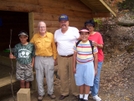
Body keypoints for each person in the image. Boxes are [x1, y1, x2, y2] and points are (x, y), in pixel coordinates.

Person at [54, 14, 80, 100]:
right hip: (61, 57)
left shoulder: (74, 30)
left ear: (68, 22)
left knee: (74, 75)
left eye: (65, 22)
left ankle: (76, 92)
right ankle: (64, 92)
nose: (63, 23)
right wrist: (55, 57)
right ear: (59, 23)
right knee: (63, 76)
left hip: (72, 56)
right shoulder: (56, 32)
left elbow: (81, 40)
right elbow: (55, 44)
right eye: (61, 22)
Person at [30, 21, 57, 101]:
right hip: (38, 58)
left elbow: (54, 48)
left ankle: (50, 92)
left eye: (43, 27)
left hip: (49, 58)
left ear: (46, 28)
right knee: (39, 77)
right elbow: (30, 46)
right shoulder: (35, 36)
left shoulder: (50, 35)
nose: (42, 28)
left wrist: (55, 58)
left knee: (50, 76)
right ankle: (41, 93)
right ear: (38, 28)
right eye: (40, 27)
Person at [73, 28, 98, 101]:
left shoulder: (92, 44)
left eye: (86, 34)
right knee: (80, 81)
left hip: (89, 65)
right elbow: (74, 56)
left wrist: (95, 69)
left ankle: (85, 97)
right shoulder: (77, 43)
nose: (84, 36)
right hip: (79, 65)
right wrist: (74, 67)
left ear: (88, 35)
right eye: (82, 34)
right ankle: (81, 96)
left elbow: (96, 57)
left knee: (88, 81)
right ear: (80, 35)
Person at [85, 19, 104, 101]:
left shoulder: (98, 35)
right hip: (88, 59)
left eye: (90, 26)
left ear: (93, 27)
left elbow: (102, 46)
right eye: (87, 26)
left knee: (96, 76)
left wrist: (97, 45)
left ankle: (95, 94)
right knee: (88, 76)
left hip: (98, 58)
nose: (89, 28)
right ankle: (89, 90)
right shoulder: (85, 35)